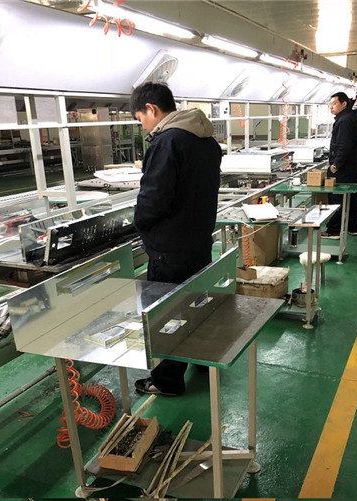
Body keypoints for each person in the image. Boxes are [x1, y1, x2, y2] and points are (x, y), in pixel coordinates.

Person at [129, 82, 222, 396]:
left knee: (168, 314)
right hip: (199, 241)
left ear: (151, 109)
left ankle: (167, 380)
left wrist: (139, 224)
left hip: (168, 249)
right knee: (198, 304)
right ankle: (204, 359)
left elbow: (154, 197)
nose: (144, 126)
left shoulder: (168, 141)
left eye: (141, 119)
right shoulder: (206, 140)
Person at [322, 92, 357, 238]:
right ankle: (353, 227)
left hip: (343, 167)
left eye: (334, 104)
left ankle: (334, 230)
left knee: (337, 197)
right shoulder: (351, 118)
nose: (331, 107)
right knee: (350, 197)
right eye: (330, 104)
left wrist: (336, 165)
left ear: (344, 104)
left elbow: (344, 146)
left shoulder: (344, 120)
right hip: (352, 166)